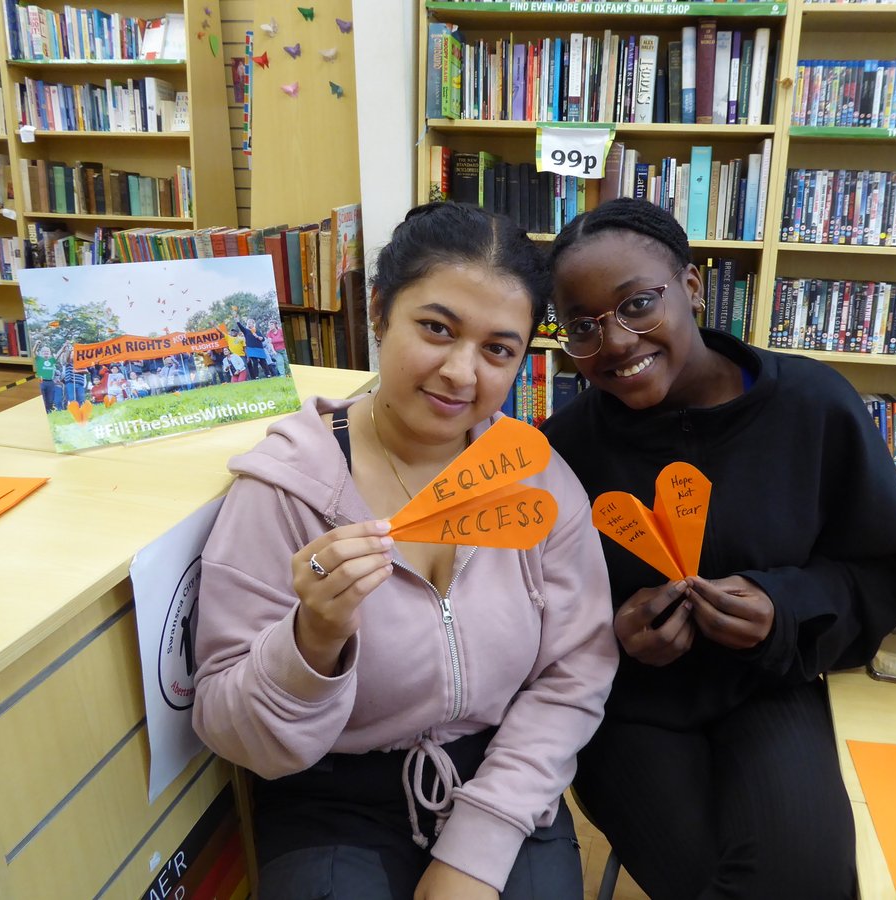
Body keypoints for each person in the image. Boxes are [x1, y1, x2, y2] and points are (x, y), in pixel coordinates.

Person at [192, 201, 619, 900]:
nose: (459, 371)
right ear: (380, 310)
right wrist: (311, 641)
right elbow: (232, 729)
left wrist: (476, 850)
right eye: (436, 329)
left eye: (497, 349)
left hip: (504, 778)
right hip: (332, 797)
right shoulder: (286, 489)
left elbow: (575, 671)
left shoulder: (535, 477)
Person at [540, 198, 896, 899]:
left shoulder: (811, 406)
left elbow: (888, 567)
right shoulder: (561, 449)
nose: (618, 342)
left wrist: (785, 608)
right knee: (712, 884)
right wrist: (613, 636)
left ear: (692, 288)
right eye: (582, 327)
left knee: (806, 881)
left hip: (769, 687)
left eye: (638, 304)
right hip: (625, 708)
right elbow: (526, 612)